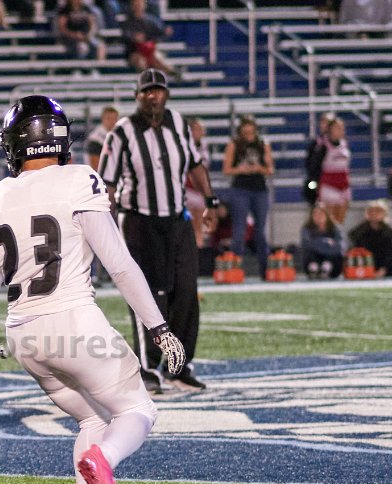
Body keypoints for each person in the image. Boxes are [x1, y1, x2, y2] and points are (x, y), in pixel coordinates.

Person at [0, 95, 186, 484]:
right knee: (137, 411)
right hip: (72, 319)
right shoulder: (78, 179)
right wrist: (159, 327)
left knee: (91, 418)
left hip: (23, 333)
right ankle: (103, 460)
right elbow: (119, 264)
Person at [98, 68, 218, 393]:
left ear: (166, 94)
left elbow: (195, 164)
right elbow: (107, 183)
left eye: (158, 90)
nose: (153, 96)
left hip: (177, 220)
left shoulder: (178, 123)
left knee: (187, 292)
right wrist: (104, 225)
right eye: (147, 91)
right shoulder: (122, 132)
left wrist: (210, 200)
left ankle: (179, 366)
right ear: (137, 96)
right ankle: (147, 367)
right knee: (146, 295)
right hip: (139, 222)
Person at [222, 116, 274, 278]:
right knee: (239, 232)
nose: (249, 134)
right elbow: (226, 169)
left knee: (260, 232)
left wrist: (258, 168)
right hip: (240, 189)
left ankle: (265, 270)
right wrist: (241, 169)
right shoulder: (234, 145)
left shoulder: (263, 144)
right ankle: (235, 270)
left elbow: (270, 169)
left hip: (259, 189)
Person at [306, 116, 351, 225]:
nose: (340, 130)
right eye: (337, 128)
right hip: (329, 183)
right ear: (330, 129)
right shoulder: (323, 145)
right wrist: (316, 184)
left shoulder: (344, 144)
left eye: (341, 128)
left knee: (340, 219)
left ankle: (338, 236)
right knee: (329, 219)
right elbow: (314, 166)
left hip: (344, 183)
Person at [349, 199, 392, 277]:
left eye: (378, 212)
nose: (374, 214)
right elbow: (355, 243)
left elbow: (390, 252)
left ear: (384, 214)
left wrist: (384, 269)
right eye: (371, 211)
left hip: (384, 262)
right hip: (365, 261)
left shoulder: (389, 231)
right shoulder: (361, 230)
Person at [120, 0, 174, 74]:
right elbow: (125, 36)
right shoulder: (127, 22)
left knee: (157, 58)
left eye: (140, 4)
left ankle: (174, 73)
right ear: (132, 6)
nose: (138, 6)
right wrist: (134, 38)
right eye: (136, 4)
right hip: (135, 52)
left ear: (144, 5)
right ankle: (146, 78)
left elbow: (161, 33)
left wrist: (165, 32)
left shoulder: (151, 21)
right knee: (140, 62)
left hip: (150, 50)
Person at [183, 117, 210, 248]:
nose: (198, 132)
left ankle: (199, 251)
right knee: (188, 224)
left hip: (199, 190)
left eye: (200, 129)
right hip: (187, 189)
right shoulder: (184, 145)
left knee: (199, 224)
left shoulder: (204, 146)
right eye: (195, 129)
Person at [301, 204, 344, 279]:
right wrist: (326, 242)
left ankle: (325, 268)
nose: (318, 216)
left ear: (327, 215)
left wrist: (317, 244)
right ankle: (315, 269)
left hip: (332, 265)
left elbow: (338, 247)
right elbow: (307, 244)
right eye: (315, 214)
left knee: (335, 256)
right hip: (312, 263)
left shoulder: (334, 229)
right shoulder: (306, 230)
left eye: (321, 214)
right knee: (310, 253)